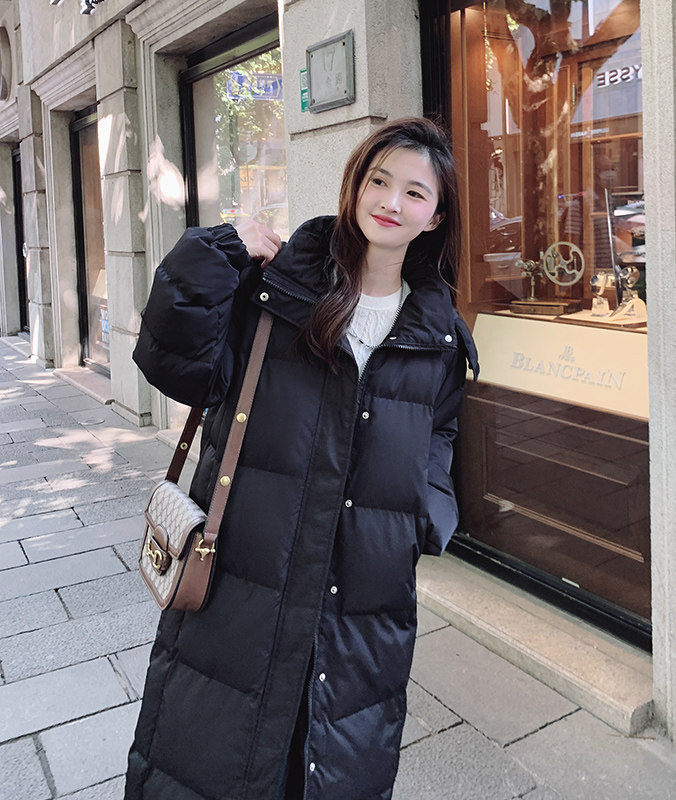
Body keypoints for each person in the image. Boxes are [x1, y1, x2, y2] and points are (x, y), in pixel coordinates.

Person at [125, 117, 478, 800]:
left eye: (414, 192)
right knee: (213, 758)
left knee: (333, 763)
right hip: (243, 576)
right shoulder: (277, 291)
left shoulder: (437, 335)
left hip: (364, 596)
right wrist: (217, 252)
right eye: (378, 181)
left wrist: (423, 516)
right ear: (355, 187)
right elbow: (173, 364)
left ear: (435, 216)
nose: (391, 202)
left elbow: (439, 435)